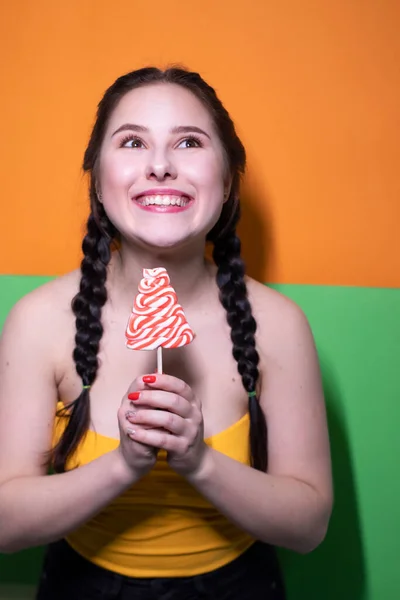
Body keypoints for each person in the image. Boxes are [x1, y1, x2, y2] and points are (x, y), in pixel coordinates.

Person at [0, 66, 333, 599]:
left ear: (226, 181)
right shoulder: (38, 321)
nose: (159, 166)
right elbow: (5, 526)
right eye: (133, 142)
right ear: (97, 178)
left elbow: (308, 527)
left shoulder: (279, 324)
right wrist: (125, 464)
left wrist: (198, 460)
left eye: (189, 143)